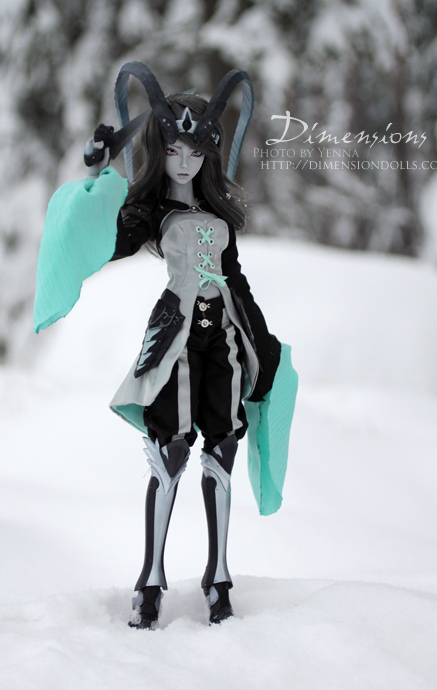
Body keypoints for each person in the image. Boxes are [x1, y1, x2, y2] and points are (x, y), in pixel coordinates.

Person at [34, 62, 298, 630]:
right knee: (169, 450)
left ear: (208, 154)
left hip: (223, 338)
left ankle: (218, 577)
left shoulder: (217, 213)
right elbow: (112, 240)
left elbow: (235, 279)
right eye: (175, 150)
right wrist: (100, 173)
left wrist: (263, 344)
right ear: (161, 149)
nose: (184, 161)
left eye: (195, 152)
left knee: (223, 446)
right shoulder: (152, 210)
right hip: (176, 333)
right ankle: (150, 578)